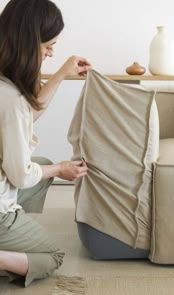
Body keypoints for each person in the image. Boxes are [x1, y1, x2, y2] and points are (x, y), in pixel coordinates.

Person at [0, 0, 92, 287]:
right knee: (52, 255)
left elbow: (26, 114)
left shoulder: (7, 85)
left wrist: (62, 73)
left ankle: (14, 233)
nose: (52, 52)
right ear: (28, 42)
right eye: (48, 45)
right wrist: (62, 169)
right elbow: (21, 175)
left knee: (43, 166)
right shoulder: (10, 98)